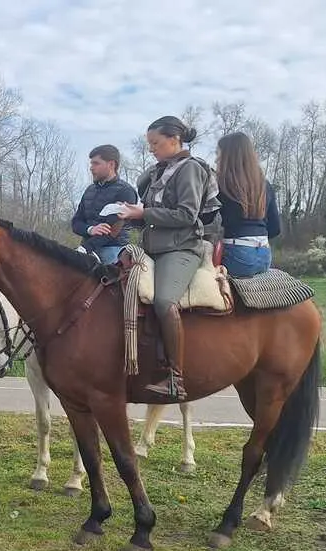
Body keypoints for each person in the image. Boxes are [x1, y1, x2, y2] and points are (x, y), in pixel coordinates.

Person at [117, 115, 220, 401]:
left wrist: (144, 213)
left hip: (181, 250)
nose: (151, 149)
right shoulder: (159, 172)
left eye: (155, 143)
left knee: (163, 301)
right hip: (152, 249)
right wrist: (131, 215)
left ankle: (176, 378)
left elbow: (187, 215)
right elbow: (153, 215)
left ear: (174, 140)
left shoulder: (190, 169)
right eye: (149, 144)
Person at [215, 132, 281, 278]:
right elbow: (275, 229)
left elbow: (208, 220)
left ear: (228, 157)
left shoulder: (221, 185)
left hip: (237, 255)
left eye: (218, 154)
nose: (216, 159)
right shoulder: (264, 185)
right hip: (264, 256)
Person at [70, 144, 139, 265]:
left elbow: (112, 230)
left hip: (112, 249)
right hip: (86, 249)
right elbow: (76, 222)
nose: (91, 168)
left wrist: (85, 248)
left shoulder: (125, 191)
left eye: (96, 163)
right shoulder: (89, 190)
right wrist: (90, 229)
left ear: (111, 164)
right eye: (91, 164)